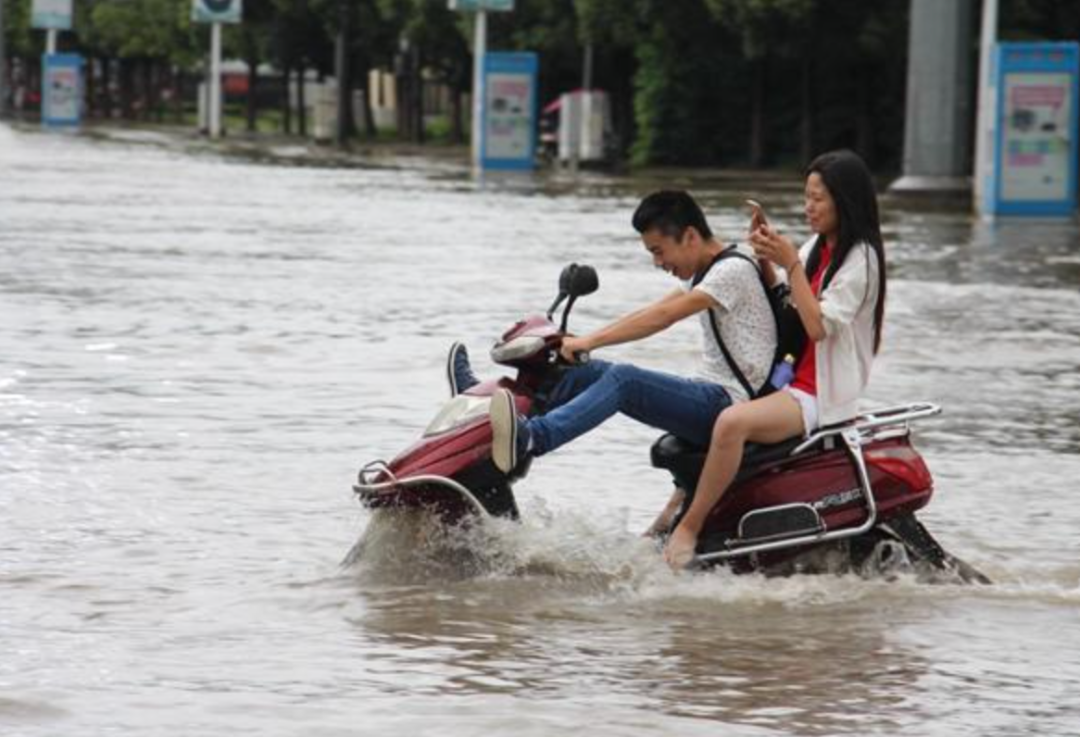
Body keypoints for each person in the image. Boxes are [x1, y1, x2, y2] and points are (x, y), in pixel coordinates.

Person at [662, 149, 887, 569]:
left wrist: (791, 264)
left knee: (732, 422)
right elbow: (787, 300)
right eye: (806, 197)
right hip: (788, 376)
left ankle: (688, 528)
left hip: (819, 392)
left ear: (845, 199)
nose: (808, 208)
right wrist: (768, 258)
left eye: (817, 198)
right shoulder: (820, 246)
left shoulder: (863, 260)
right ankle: (664, 524)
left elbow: (818, 326)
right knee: (708, 411)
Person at [473, 190, 777, 487]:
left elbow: (665, 317)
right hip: (707, 394)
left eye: (658, 251)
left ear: (690, 236)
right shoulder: (708, 270)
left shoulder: (731, 271)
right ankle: (487, 415)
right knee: (585, 371)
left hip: (728, 405)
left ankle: (534, 438)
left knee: (624, 380)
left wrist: (588, 342)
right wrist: (582, 341)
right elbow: (653, 309)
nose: (658, 263)